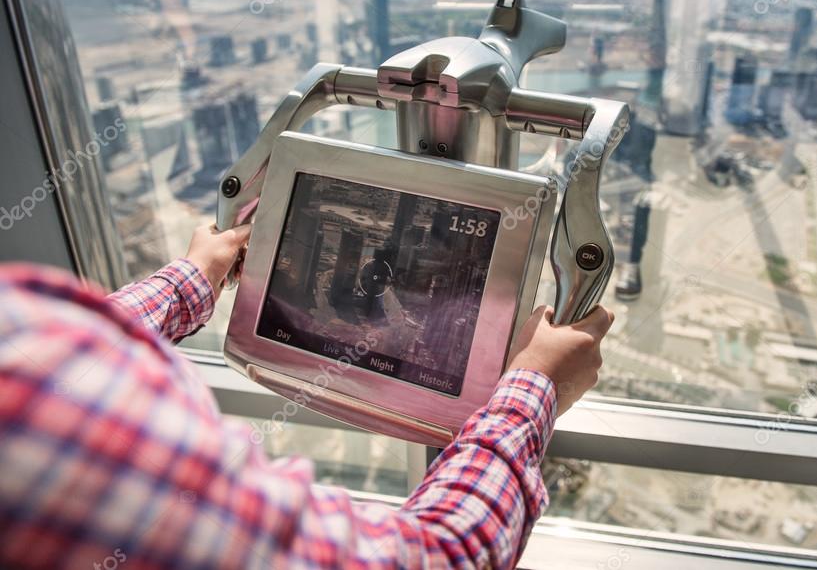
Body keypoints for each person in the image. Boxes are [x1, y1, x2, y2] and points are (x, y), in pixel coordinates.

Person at [0, 224, 613, 569]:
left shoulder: (30, 339)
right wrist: (536, 386)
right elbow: (447, 556)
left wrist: (194, 276)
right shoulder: (51, 450)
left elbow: (61, 351)